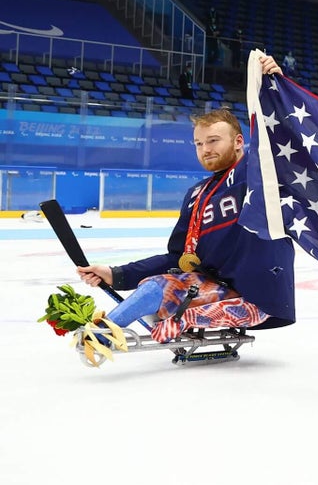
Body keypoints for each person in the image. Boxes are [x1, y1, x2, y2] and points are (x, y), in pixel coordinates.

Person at [75, 54, 295, 357]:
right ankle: (104, 334)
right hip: (213, 290)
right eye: (199, 144)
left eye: (213, 141)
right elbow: (178, 258)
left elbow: (281, 141)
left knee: (165, 304)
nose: (205, 149)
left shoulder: (259, 173)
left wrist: (275, 87)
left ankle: (102, 336)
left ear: (238, 142)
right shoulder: (197, 194)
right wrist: (117, 273)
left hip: (257, 298)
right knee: (154, 287)